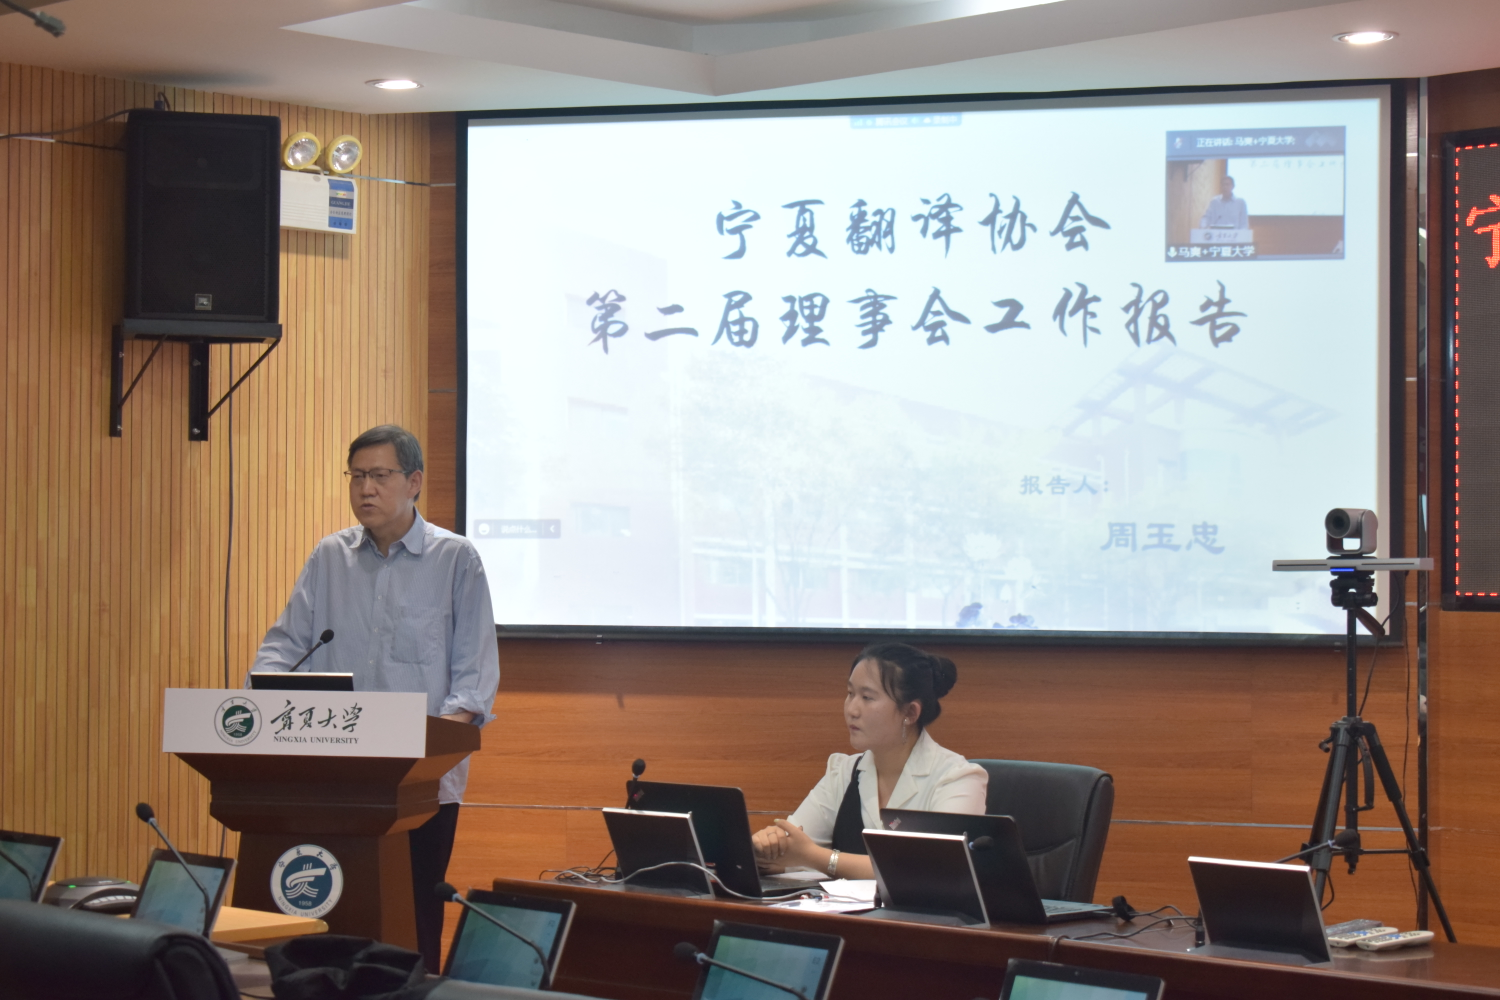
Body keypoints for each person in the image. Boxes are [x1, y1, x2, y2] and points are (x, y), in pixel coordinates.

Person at [249, 425, 500, 972]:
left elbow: (473, 684)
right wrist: (261, 702)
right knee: (330, 920)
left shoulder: (455, 560)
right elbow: (284, 649)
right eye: (357, 476)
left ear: (413, 482)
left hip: (418, 789)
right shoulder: (329, 557)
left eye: (380, 475)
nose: (366, 488)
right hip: (331, 778)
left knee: (411, 926)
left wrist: (424, 753)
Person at [751, 643, 987, 881]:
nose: (852, 710)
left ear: (910, 713)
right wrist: (769, 845)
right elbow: (791, 848)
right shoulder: (843, 772)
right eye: (850, 693)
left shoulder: (958, 779)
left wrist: (815, 857)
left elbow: (932, 870)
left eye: (867, 697)